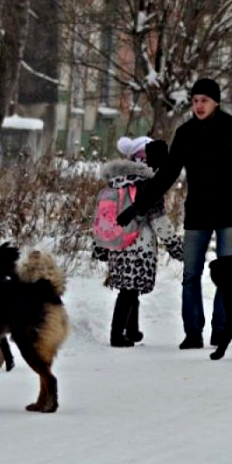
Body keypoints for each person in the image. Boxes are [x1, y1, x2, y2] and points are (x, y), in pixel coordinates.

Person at [117, 78, 232, 349]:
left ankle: (220, 329)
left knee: (229, 277)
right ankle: (193, 332)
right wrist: (138, 206)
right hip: (196, 214)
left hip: (229, 214)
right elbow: (166, 175)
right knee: (190, 275)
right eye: (195, 100)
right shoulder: (186, 133)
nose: (198, 105)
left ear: (216, 102)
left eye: (204, 100)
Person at [94, 135, 184, 347]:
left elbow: (101, 215)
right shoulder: (148, 185)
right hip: (139, 245)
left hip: (117, 243)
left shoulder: (115, 182)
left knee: (129, 288)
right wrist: (175, 246)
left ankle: (132, 330)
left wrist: (99, 245)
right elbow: (159, 220)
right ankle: (117, 335)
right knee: (128, 291)